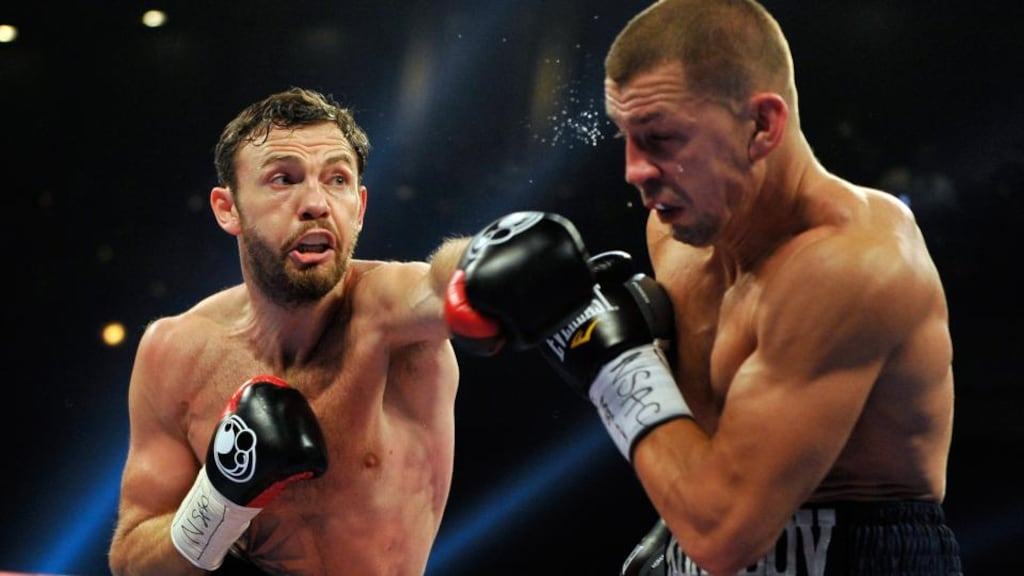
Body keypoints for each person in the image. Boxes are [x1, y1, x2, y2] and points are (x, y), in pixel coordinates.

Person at [444, 0, 963, 574]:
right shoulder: (678, 235)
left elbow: (723, 534)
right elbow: (722, 444)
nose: (634, 169)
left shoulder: (851, 264)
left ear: (762, 126)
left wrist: (610, 362)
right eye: (627, 137)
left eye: (661, 138)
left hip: (850, 552)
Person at [107, 87, 471, 576]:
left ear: (359, 206)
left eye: (337, 179)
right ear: (227, 208)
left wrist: (493, 260)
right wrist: (219, 499)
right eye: (284, 179)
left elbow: (446, 278)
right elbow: (131, 562)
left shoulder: (389, 316)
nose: (317, 203)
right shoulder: (175, 351)